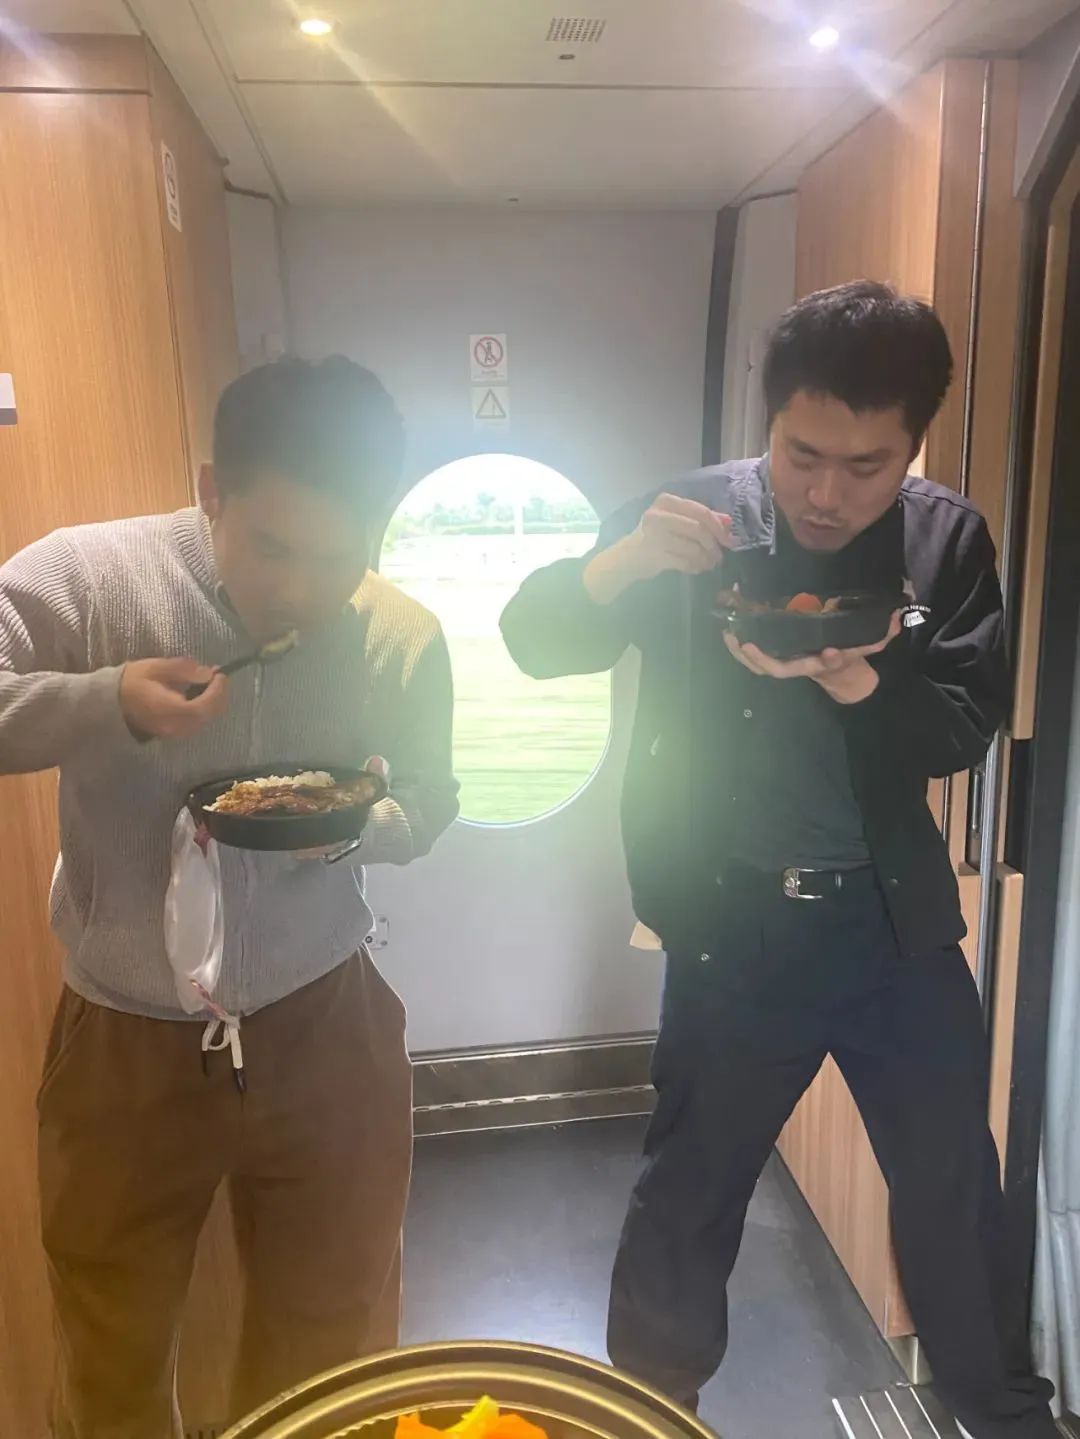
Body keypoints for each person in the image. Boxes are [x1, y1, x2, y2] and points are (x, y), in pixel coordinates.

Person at [500, 282, 1057, 1438]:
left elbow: (962, 726)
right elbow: (533, 641)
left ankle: (1004, 1417)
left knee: (955, 1191)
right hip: (731, 927)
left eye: (867, 464)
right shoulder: (687, 519)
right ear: (771, 423)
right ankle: (646, 1417)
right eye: (803, 454)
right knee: (688, 1195)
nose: (827, 492)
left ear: (913, 446)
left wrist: (858, 679)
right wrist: (621, 566)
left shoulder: (946, 539)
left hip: (892, 929)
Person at [0, 356, 459, 1437]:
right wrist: (103, 698)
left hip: (326, 1018)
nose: (301, 588)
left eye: (340, 557)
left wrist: (369, 826)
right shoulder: (90, 576)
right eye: (272, 547)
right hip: (123, 1035)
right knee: (110, 1347)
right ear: (213, 490)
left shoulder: (398, 632)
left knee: (332, 1346)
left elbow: (432, 799)